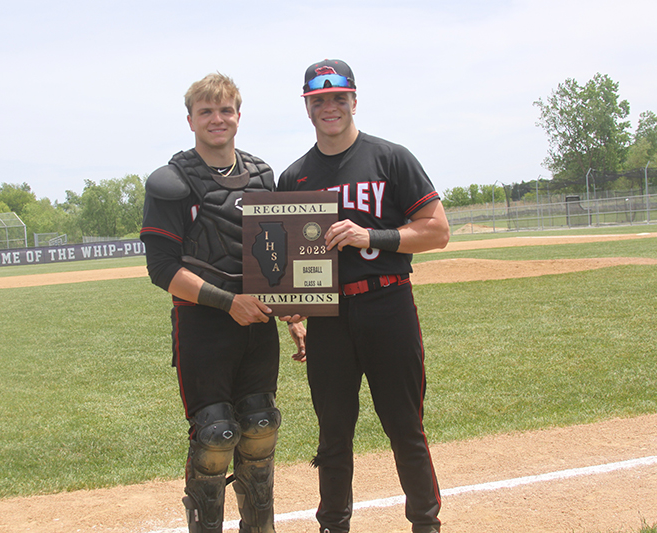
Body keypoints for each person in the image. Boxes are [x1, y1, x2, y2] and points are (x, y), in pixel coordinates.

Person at [277, 59, 451, 533]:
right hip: (328, 319)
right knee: (333, 436)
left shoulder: (391, 158)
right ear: (308, 107)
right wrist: (293, 314)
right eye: (319, 100)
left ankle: (426, 525)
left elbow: (436, 231)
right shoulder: (294, 177)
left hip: (387, 304)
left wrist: (372, 236)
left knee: (404, 428)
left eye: (339, 97)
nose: (330, 107)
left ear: (354, 100)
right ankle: (333, 525)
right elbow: (290, 261)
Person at [140, 73, 296, 533]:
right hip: (204, 325)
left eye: (225, 110)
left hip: (258, 325)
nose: (217, 119)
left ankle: (259, 527)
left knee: (260, 426)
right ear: (190, 119)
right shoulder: (173, 181)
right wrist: (228, 303)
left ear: (238, 117)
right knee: (215, 433)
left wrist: (292, 315)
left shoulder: (264, 175)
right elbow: (162, 269)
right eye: (206, 111)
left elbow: (277, 259)